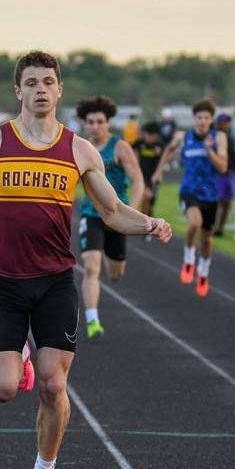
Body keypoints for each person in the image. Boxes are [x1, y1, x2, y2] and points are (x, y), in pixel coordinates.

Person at [0, 51, 171, 469]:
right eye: (31, 82)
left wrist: (151, 223)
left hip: (56, 282)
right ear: (18, 91)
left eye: (48, 82)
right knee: (1, 389)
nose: (40, 89)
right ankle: (17, 356)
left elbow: (112, 211)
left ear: (60, 91)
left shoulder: (80, 150)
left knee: (54, 386)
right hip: (4, 283)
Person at [77, 95, 144, 340]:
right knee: (91, 266)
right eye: (90, 122)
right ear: (84, 124)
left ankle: (107, 254)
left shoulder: (120, 147)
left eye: (100, 122)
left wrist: (133, 213)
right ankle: (92, 320)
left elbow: (137, 179)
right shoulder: (81, 148)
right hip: (92, 215)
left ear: (108, 123)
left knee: (116, 274)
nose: (95, 126)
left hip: (117, 217)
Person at [153, 99, 228, 298]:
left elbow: (222, 167)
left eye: (206, 118)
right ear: (194, 118)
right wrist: (159, 171)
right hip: (189, 190)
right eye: (199, 117)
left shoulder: (218, 137)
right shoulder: (183, 136)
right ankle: (188, 260)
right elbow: (169, 151)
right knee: (195, 223)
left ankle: (203, 273)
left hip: (210, 194)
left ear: (211, 119)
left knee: (207, 239)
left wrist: (210, 150)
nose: (202, 121)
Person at [212, 113, 235, 237]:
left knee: (227, 202)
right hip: (219, 174)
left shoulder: (230, 137)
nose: (227, 124)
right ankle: (213, 226)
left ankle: (220, 228)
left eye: (228, 122)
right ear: (219, 123)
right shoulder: (215, 136)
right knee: (219, 201)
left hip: (230, 174)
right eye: (225, 122)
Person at [135, 121, 163, 226]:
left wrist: (160, 173)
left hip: (154, 178)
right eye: (147, 134)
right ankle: (144, 224)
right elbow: (135, 155)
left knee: (151, 204)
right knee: (146, 197)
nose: (149, 137)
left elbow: (164, 160)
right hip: (142, 176)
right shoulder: (140, 143)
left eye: (152, 135)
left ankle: (150, 223)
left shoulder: (159, 145)